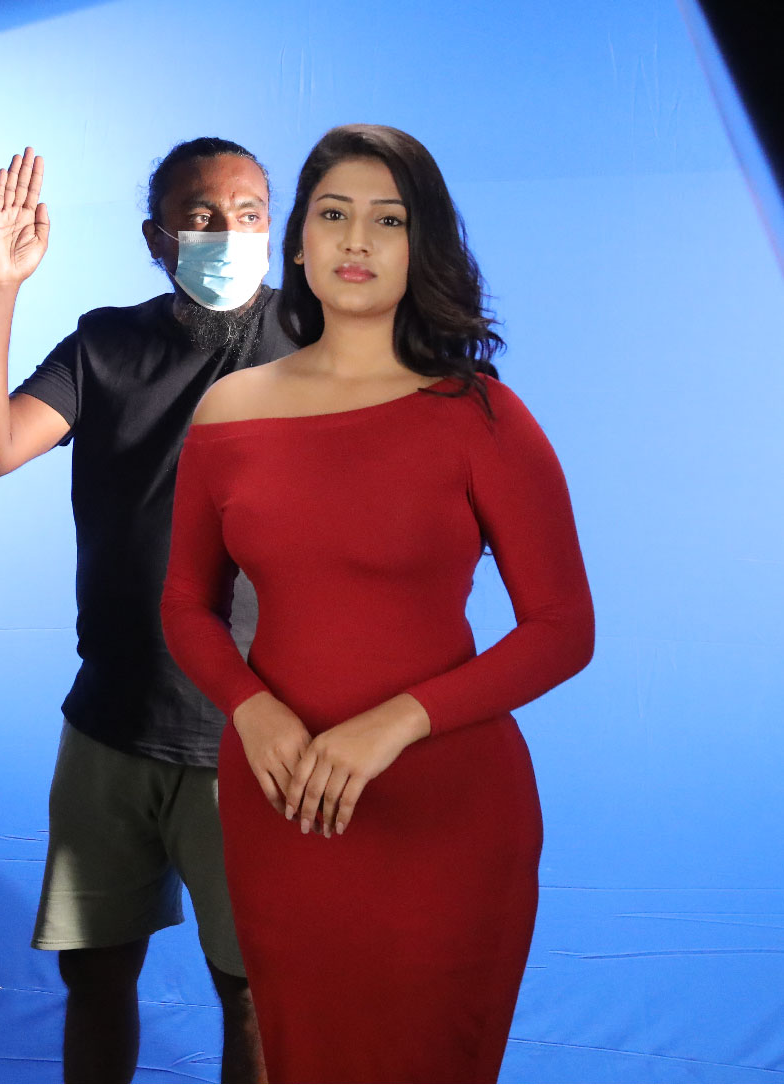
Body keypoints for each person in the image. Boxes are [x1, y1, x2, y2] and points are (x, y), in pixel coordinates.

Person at [160, 124, 595, 1083]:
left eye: (387, 220)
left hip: (445, 816)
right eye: (333, 215)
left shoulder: (481, 415)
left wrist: (394, 722)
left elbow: (564, 629)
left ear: (418, 245)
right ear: (299, 244)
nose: (356, 240)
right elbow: (186, 603)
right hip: (282, 804)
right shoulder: (229, 412)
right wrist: (252, 707)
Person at [0, 138, 295, 1083]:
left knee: (255, 991)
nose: (228, 234)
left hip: (254, 736)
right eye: (201, 217)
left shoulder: (319, 342)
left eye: (250, 214)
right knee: (96, 974)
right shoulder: (105, 344)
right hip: (111, 722)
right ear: (156, 237)